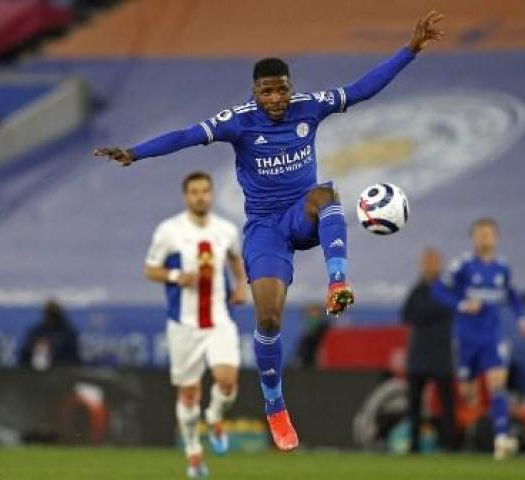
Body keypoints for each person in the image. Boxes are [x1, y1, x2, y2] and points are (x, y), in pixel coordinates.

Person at [94, 11, 444, 451]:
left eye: (281, 89)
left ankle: (339, 281)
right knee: (268, 317)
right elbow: (186, 135)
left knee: (326, 195)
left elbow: (361, 89)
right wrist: (136, 153)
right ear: (255, 93)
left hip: (302, 214)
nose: (276, 98)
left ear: (290, 88)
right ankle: (275, 404)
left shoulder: (308, 108)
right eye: (267, 91)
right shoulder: (238, 122)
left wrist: (409, 50)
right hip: (265, 230)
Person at [143, 171, 247, 478]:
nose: (200, 196)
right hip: (184, 324)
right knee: (189, 394)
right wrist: (176, 277)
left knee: (227, 381)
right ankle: (193, 452)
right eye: (194, 192)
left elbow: (234, 258)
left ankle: (215, 417)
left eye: (205, 191)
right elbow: (150, 269)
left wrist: (240, 284)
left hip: (218, 319)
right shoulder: (170, 231)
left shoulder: (226, 229)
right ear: (186, 196)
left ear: (211, 194)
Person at [432, 218, 525, 460]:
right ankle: (468, 439)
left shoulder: (502, 268)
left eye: (489, 234)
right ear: (473, 239)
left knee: (497, 383)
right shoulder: (463, 266)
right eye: (480, 234)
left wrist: (522, 317)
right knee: (468, 393)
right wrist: (462, 304)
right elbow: (437, 289)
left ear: (496, 238)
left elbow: (512, 294)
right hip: (466, 337)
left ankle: (501, 439)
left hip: (492, 336)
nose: (485, 238)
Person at [401, 247, 456, 453]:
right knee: (414, 403)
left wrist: (426, 314)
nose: (430, 265)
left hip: (441, 354)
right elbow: (406, 315)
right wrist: (431, 313)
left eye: (434, 261)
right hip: (419, 354)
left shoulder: (447, 289)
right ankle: (413, 444)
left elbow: (446, 310)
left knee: (446, 403)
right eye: (427, 261)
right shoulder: (417, 291)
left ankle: (450, 444)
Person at [20, 300, 80, 370]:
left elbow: (73, 358)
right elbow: (25, 355)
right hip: (36, 372)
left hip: (60, 371)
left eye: (53, 315)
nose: (51, 318)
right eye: (49, 314)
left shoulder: (67, 334)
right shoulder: (37, 332)